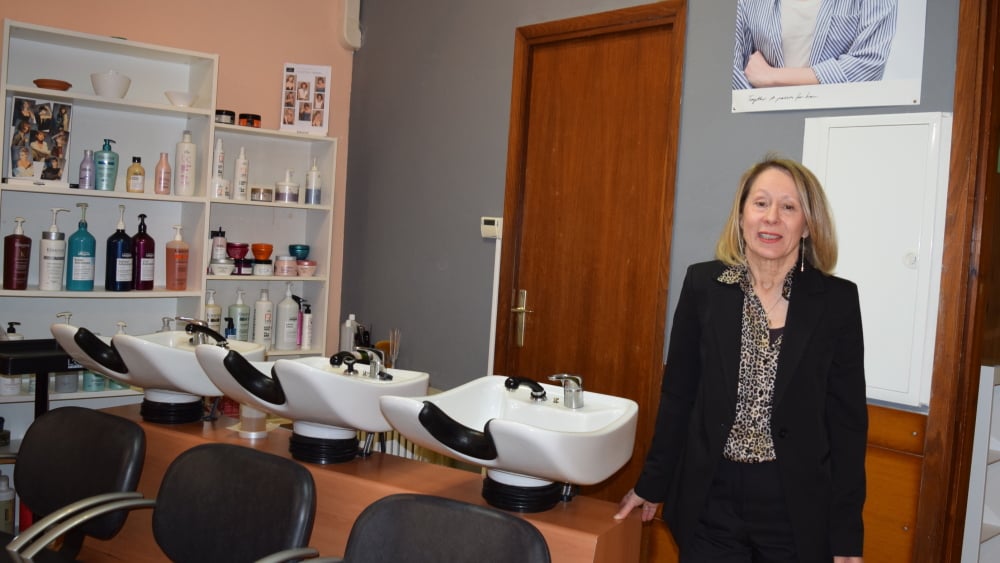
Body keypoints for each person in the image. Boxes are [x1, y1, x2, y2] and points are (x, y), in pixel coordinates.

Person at [615, 155, 867, 563]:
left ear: (808, 224)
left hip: (796, 507)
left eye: (789, 207)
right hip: (712, 499)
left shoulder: (836, 302)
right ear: (742, 215)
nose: (771, 218)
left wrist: (846, 536)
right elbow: (679, 395)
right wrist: (653, 482)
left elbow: (848, 426)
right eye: (760, 203)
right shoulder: (704, 285)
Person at [732, 0, 897, 89]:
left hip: (838, 123)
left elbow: (870, 65)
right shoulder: (747, 3)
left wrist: (772, 77)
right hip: (765, 126)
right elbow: (733, 71)